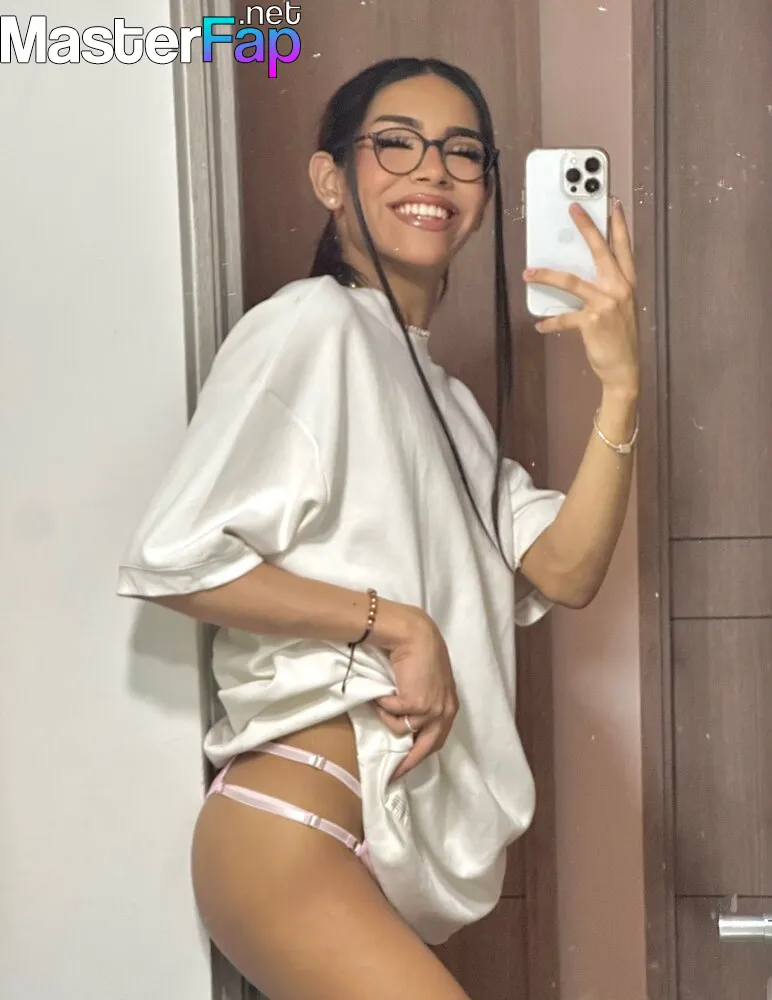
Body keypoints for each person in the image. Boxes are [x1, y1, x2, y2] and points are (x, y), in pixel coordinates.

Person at [117, 57, 638, 1000]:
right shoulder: (310, 325)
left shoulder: (450, 404)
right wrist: (396, 624)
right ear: (331, 178)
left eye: (462, 152)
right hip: (297, 822)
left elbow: (566, 568)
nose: (432, 169)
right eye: (395, 143)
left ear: (484, 194)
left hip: (392, 850)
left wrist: (622, 384)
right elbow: (176, 560)